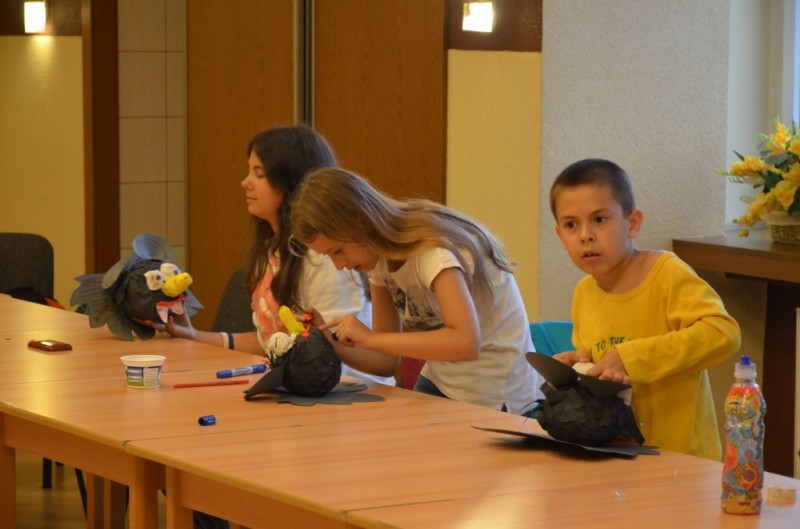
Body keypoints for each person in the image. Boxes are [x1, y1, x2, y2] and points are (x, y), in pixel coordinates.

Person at [146, 125, 396, 385]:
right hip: (302, 385)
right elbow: (271, 341)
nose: (245, 182)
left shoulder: (325, 258)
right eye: (249, 171)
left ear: (292, 180)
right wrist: (193, 335)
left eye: (259, 173)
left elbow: (330, 348)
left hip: (347, 388)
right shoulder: (274, 250)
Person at [289, 167, 540, 415]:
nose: (339, 265)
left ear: (362, 223)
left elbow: (465, 343)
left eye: (337, 251)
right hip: (442, 382)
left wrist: (370, 338)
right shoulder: (378, 259)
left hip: (495, 396)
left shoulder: (433, 251)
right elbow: (386, 362)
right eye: (329, 256)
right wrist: (328, 342)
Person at [548, 158, 740, 459]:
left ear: (633, 223)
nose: (585, 235)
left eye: (599, 219)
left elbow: (723, 333)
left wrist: (632, 357)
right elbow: (604, 366)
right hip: (617, 453)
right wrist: (577, 367)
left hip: (681, 458)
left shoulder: (665, 273)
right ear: (560, 235)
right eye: (571, 224)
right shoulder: (584, 292)